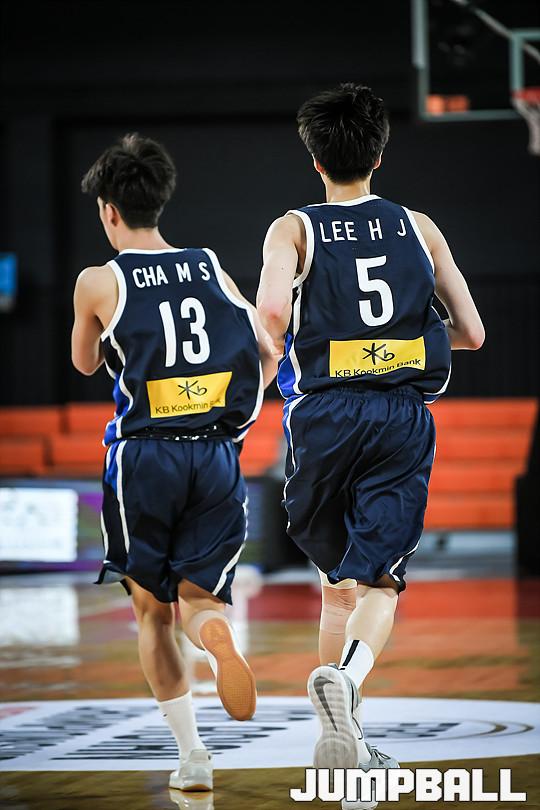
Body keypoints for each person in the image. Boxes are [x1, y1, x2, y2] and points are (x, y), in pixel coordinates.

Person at [257, 83, 484, 807]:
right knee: (380, 581)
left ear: (315, 161)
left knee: (337, 586)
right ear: (379, 156)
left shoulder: (292, 228)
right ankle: (346, 682)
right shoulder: (419, 227)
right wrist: (405, 341)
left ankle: (344, 748)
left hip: (320, 416)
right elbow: (473, 332)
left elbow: (270, 314)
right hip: (397, 414)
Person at [72, 133, 278, 793]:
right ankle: (218, 643)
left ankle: (193, 757)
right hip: (216, 454)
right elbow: (267, 349)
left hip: (145, 458)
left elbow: (83, 362)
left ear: (108, 210)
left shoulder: (98, 281)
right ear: (160, 201)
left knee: (151, 613)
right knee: (201, 600)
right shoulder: (210, 265)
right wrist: (233, 413)